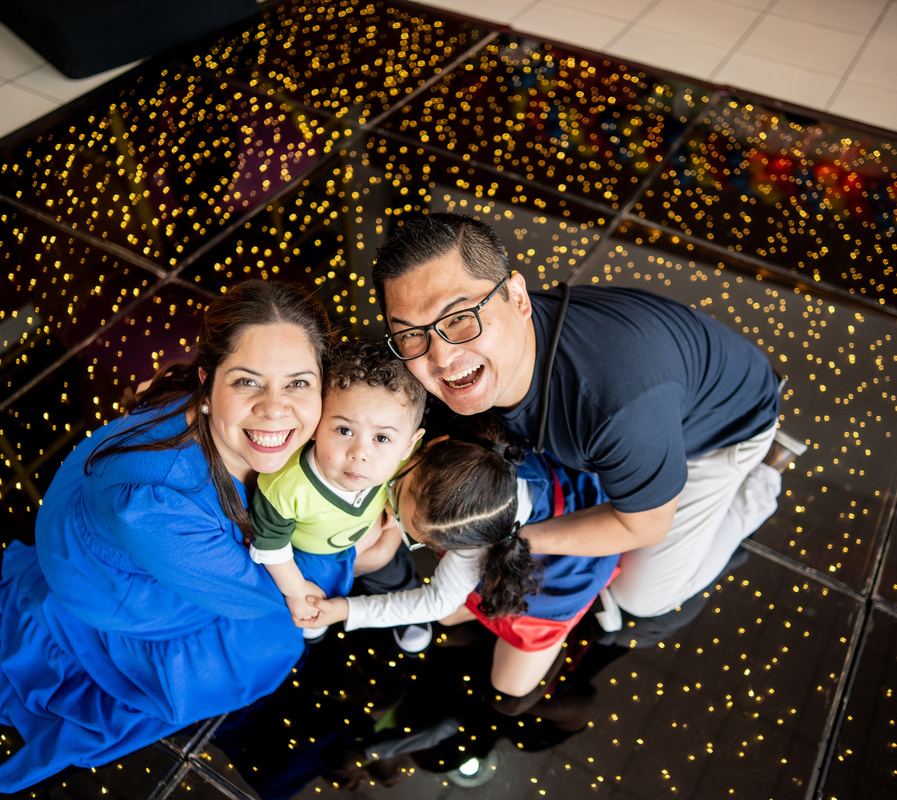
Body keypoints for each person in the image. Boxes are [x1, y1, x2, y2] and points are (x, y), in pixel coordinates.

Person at [0, 280, 355, 793]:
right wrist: (345, 555)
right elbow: (257, 596)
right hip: (113, 582)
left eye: (298, 383)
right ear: (208, 380)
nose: (275, 408)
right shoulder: (156, 508)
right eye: (246, 382)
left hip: (110, 521)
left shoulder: (225, 420)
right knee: (274, 628)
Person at [371, 213, 801, 623]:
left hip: (724, 430)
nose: (441, 357)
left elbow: (645, 525)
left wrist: (515, 541)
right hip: (649, 406)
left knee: (641, 596)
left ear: (517, 297)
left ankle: (763, 479)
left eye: (460, 318)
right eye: (411, 333)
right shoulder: (501, 340)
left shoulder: (614, 409)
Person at [300, 418, 620, 707]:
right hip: (525, 543)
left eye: (395, 506)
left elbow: (435, 602)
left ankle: (575, 626)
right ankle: (481, 606)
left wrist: (346, 610)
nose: (388, 510)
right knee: (449, 619)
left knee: (508, 693)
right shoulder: (480, 460)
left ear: (465, 548)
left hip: (559, 585)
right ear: (438, 445)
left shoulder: (477, 545)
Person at [249, 338, 427, 646]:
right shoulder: (285, 486)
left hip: (368, 535)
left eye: (382, 439)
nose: (360, 453)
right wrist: (297, 590)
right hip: (310, 557)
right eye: (344, 430)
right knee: (302, 589)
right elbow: (271, 546)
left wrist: (394, 510)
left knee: (393, 571)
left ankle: (406, 607)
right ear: (317, 423)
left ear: (407, 445)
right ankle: (314, 610)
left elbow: (410, 483)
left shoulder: (401, 461)